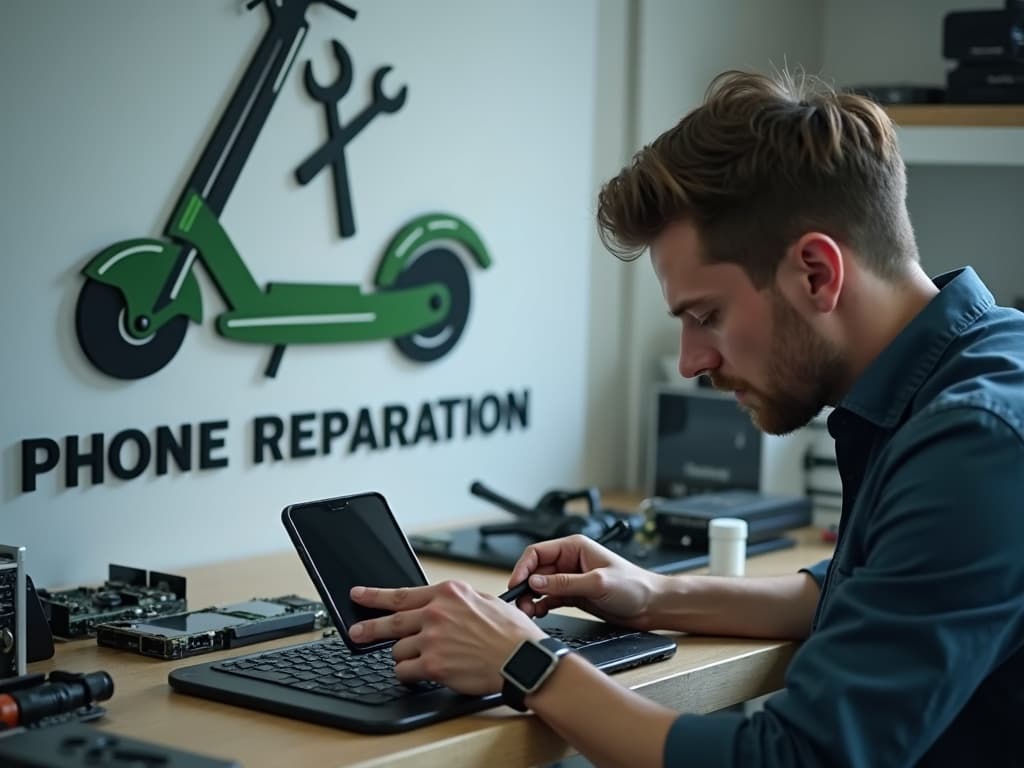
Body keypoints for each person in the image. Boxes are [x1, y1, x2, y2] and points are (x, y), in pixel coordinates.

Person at [348, 69, 1024, 767]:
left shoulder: (976, 441)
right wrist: (649, 595)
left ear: (817, 274)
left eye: (707, 315)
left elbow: (790, 760)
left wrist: (527, 663)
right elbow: (854, 589)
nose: (690, 360)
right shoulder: (970, 368)